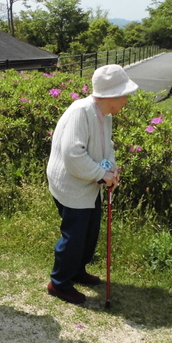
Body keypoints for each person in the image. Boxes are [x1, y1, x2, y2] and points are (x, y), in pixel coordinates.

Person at [46, 64, 138, 304]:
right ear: (113, 96)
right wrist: (101, 174)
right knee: (74, 236)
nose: (127, 99)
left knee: (90, 232)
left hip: (89, 182)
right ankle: (59, 282)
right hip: (71, 184)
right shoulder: (81, 111)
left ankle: (76, 270)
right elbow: (73, 155)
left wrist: (111, 171)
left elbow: (107, 147)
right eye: (125, 94)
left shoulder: (104, 115)